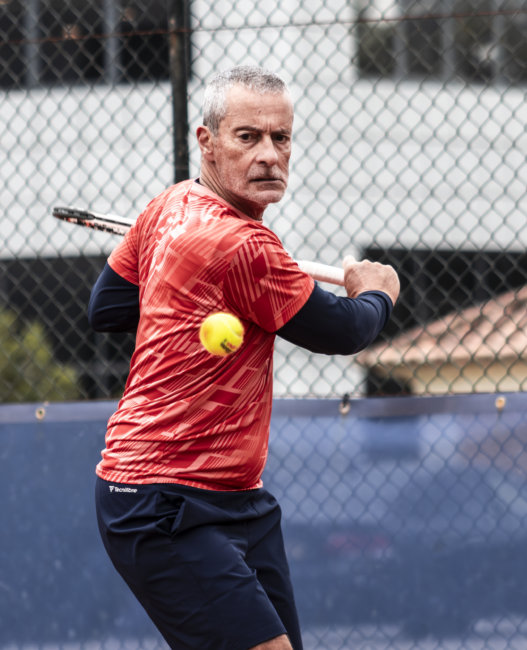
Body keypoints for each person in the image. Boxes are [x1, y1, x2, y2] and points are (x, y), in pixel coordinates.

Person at [88, 65, 400, 650]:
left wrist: (183, 293)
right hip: (158, 499)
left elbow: (107, 306)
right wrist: (379, 289)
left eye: (281, 138)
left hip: (238, 499)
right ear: (206, 142)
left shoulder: (169, 207)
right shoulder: (245, 247)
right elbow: (342, 330)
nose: (269, 156)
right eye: (247, 137)